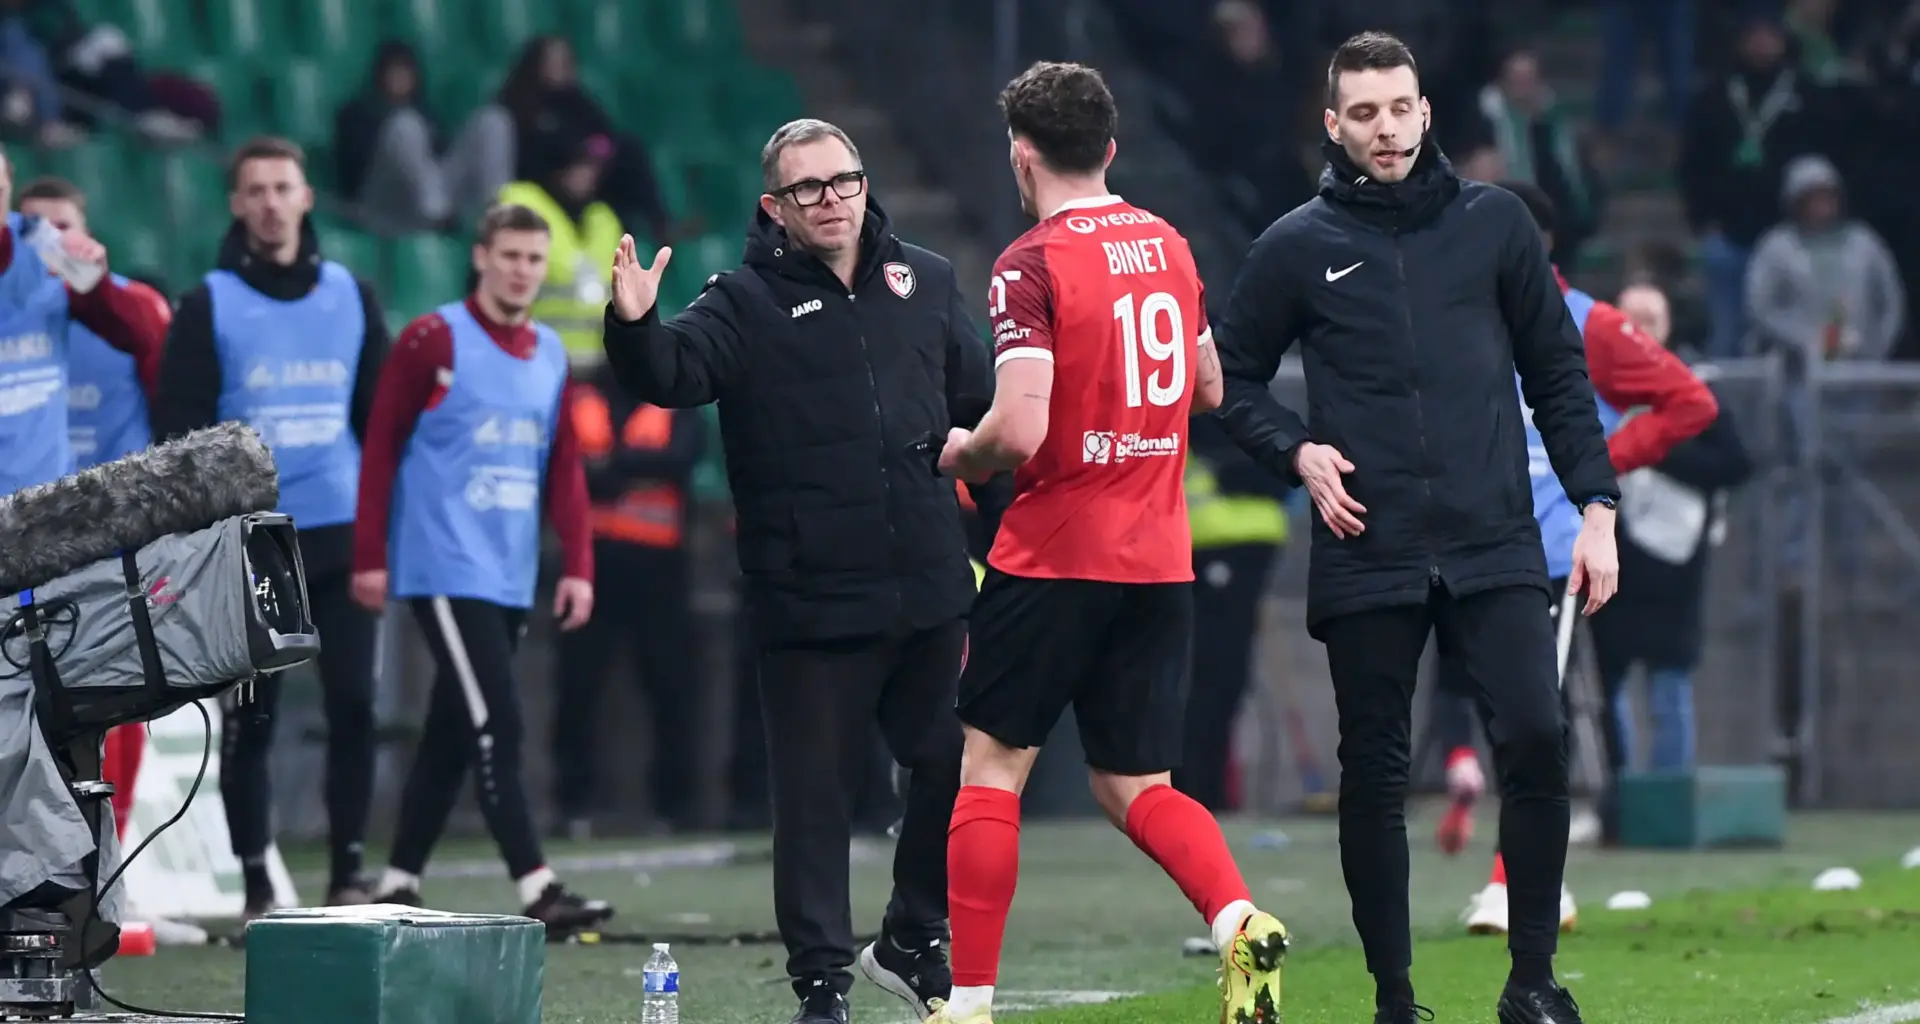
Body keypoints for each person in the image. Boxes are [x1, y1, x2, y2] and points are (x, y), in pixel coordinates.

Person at [1210, 33, 1620, 1024]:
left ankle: (1532, 983)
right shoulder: (1296, 244)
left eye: (1400, 109)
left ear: (1425, 112)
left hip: (1494, 536)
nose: (1385, 129)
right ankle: (1395, 999)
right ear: (1334, 124)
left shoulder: (1497, 225)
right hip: (1370, 544)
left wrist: (1598, 506)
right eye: (1364, 114)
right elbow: (1228, 378)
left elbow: (1559, 373)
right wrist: (1297, 453)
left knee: (1537, 736)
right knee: (1375, 773)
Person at [602, 118, 996, 1024]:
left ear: (865, 183)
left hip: (930, 585)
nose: (831, 200)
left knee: (955, 762)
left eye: (843, 180)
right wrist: (633, 323)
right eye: (807, 188)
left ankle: (912, 935)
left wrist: (1012, 548)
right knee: (815, 802)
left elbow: (983, 416)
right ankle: (822, 985)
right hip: (810, 596)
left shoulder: (928, 281)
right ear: (774, 207)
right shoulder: (741, 301)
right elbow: (672, 374)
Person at [928, 61, 1287, 1024]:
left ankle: (969, 1001)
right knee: (1136, 782)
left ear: (1022, 154)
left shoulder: (1029, 263)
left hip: (1054, 550)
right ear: (1112, 148)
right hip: (1159, 556)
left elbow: (1020, 430)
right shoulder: (1168, 242)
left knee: (992, 768)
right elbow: (1208, 389)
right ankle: (1238, 918)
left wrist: (964, 453)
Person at [1431, 182, 1718, 934]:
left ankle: (1516, 882)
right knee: (1486, 705)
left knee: (1533, 718)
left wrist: (1601, 463)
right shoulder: (1456, 314)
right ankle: (1528, 869)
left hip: (1552, 550)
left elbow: (1690, 402)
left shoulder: (1592, 323)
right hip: (1466, 540)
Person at [350, 202, 613, 934]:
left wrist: (578, 564)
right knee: (497, 720)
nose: (523, 271)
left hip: (509, 571)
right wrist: (370, 556)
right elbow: (381, 446)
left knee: (454, 727)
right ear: (481, 258)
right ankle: (539, 887)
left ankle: (399, 879)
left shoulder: (550, 353)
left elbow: (564, 466)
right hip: (442, 564)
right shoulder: (432, 339)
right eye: (511, 257)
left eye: (534, 259)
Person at [151, 136, 391, 916]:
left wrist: (383, 534)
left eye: (283, 187)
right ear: (236, 204)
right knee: (253, 719)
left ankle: (348, 870)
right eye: (254, 190)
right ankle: (257, 881)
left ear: (306, 196)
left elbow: (380, 424)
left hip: (343, 531)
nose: (270, 203)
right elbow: (179, 434)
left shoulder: (352, 296)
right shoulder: (208, 303)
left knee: (354, 704)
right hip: (252, 542)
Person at [550, 363, 708, 837]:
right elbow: (559, 466)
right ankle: (572, 804)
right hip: (589, 565)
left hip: (658, 568)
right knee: (576, 688)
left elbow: (681, 458)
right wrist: (634, 468)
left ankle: (673, 806)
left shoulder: (675, 397)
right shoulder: (579, 398)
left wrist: (610, 468)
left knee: (670, 686)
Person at [0, 148, 166, 498]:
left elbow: (144, 337)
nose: (54, 233)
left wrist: (93, 281)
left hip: (53, 504)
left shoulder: (46, 254)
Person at [1175, 414, 1290, 811]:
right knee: (1210, 677)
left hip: (1233, 540)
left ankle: (1201, 791)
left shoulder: (1236, 402)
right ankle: (1195, 792)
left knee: (1219, 677)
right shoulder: (1215, 403)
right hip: (1213, 540)